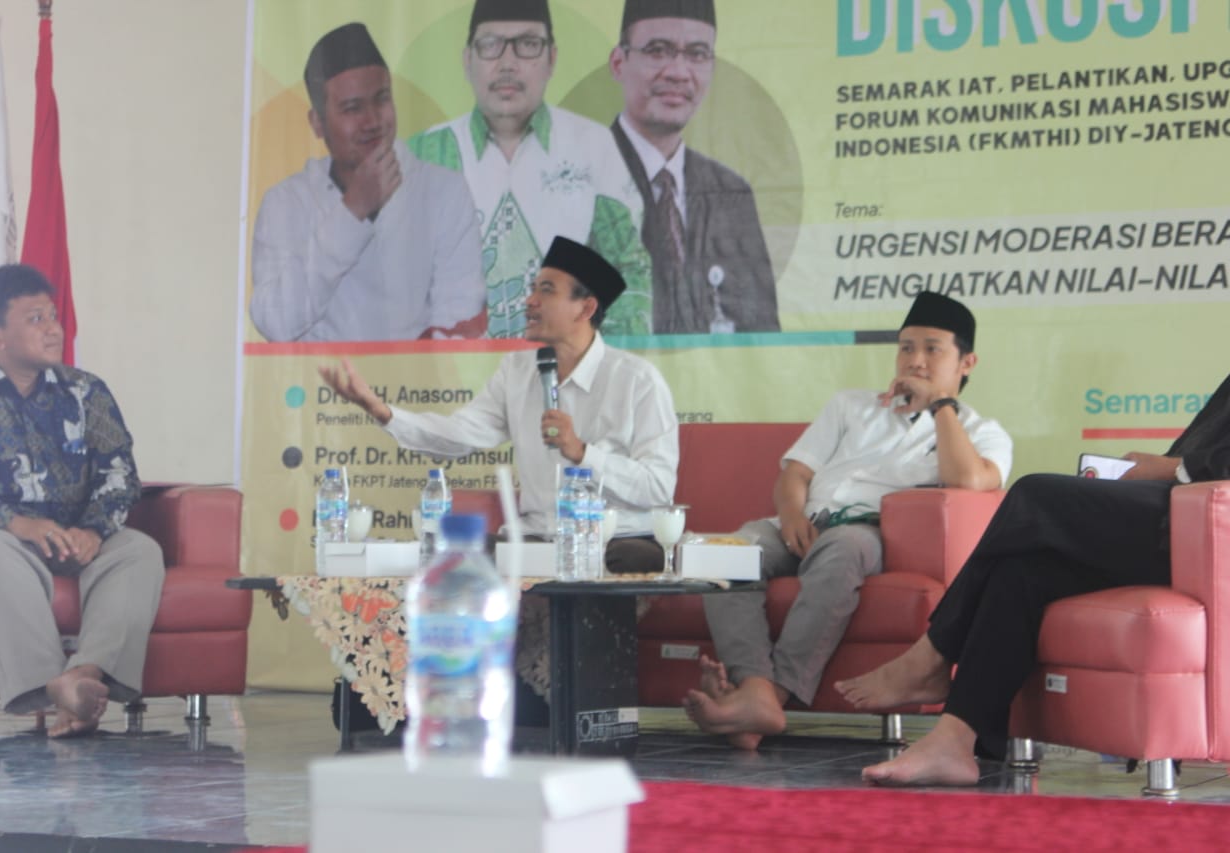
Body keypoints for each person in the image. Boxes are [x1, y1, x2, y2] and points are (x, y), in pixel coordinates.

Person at [836, 371, 1230, 786]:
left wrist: (1170, 467)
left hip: (1203, 535)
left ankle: (932, 653)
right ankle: (954, 739)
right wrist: (1160, 468)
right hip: (1183, 515)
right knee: (1022, 570)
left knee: (1033, 495)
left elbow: (1198, 469)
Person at [685, 291, 1013, 749]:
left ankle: (770, 698)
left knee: (842, 550)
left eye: (932, 349)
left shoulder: (982, 432)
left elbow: (970, 480)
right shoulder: (851, 405)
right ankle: (753, 687)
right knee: (724, 553)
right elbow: (796, 473)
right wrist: (791, 513)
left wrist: (941, 405)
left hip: (866, 533)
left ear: (967, 362)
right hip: (800, 524)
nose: (915, 360)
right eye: (906, 347)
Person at [319, 237, 677, 572]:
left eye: (546, 290)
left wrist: (583, 453)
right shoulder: (518, 371)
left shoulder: (637, 380)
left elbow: (659, 488)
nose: (530, 301)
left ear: (586, 307)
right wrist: (383, 412)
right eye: (532, 289)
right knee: (451, 555)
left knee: (630, 560)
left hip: (617, 539)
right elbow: (460, 434)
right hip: (536, 538)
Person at [0, 265, 165, 738]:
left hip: (74, 534)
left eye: (53, 316)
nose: (53, 329)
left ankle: (83, 676)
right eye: (35, 319)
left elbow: (119, 472)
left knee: (138, 550)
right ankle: (49, 686)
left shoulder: (86, 390)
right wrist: (15, 523)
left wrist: (94, 530)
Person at [408, 0, 654, 339]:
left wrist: (590, 358)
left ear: (552, 58)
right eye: (491, 45)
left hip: (565, 365)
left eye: (527, 44)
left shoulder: (593, 146)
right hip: (451, 367)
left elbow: (629, 271)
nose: (508, 64)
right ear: (467, 60)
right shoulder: (423, 154)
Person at [250, 22, 486, 342]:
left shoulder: (444, 191)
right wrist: (353, 210)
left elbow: (459, 324)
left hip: (418, 376)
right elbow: (275, 323)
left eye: (382, 99)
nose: (373, 121)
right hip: (323, 377)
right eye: (353, 108)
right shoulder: (286, 202)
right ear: (317, 123)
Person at [609, 0, 778, 335]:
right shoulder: (578, 179)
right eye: (658, 50)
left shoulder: (732, 194)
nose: (678, 72)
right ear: (619, 63)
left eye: (697, 54)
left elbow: (762, 339)